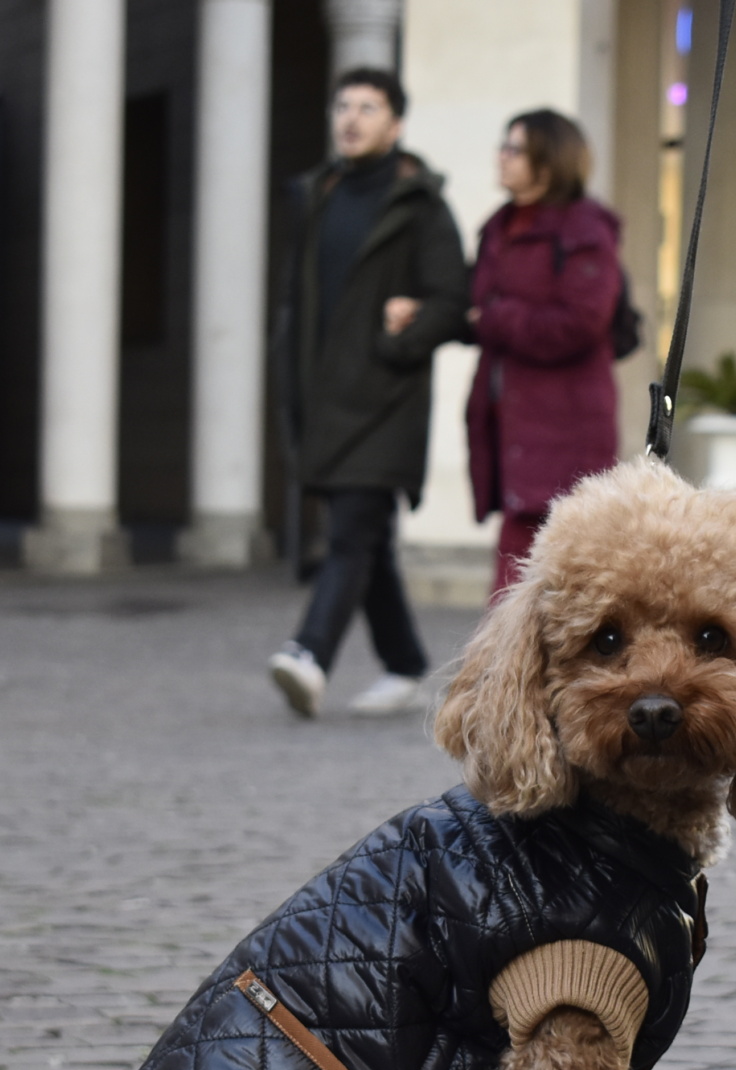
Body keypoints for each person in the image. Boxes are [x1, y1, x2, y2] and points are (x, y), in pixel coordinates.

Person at [268, 68, 468, 719]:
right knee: (370, 540)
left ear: (396, 123)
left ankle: (309, 653)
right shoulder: (317, 195)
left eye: (369, 106)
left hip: (387, 401)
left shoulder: (420, 205)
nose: (351, 117)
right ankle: (406, 663)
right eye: (343, 105)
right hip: (325, 397)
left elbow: (452, 302)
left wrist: (399, 342)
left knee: (352, 530)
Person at [465, 110, 623, 601]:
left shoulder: (584, 231)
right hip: (510, 418)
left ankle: (513, 673)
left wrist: (496, 316)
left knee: (556, 568)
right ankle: (511, 672)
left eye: (516, 149)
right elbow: (474, 306)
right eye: (504, 146)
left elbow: (581, 321)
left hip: (565, 422)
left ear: (548, 163)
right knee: (519, 569)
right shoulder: (500, 226)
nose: (502, 157)